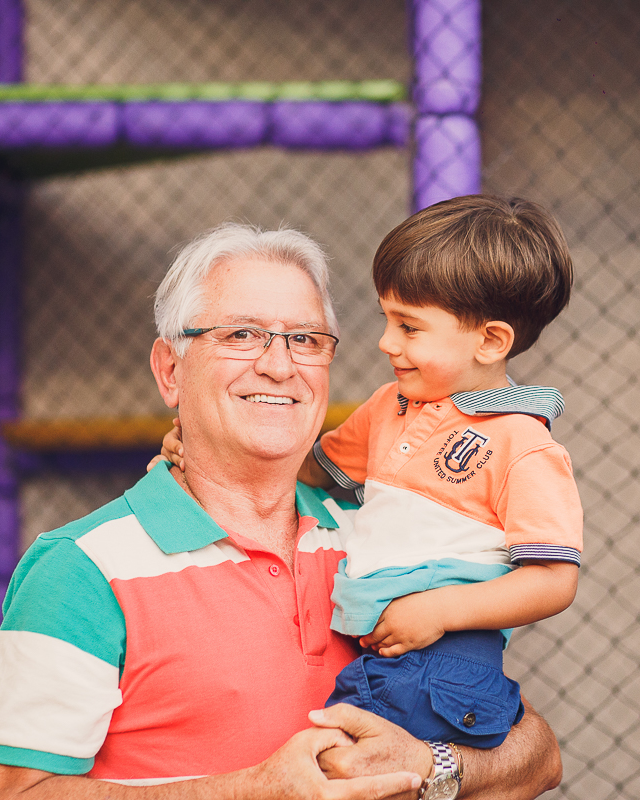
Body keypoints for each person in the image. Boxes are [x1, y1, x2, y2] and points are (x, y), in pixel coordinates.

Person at [0, 222, 563, 799]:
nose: (280, 366)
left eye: (305, 339)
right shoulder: (80, 570)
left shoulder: (378, 533)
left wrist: (431, 766)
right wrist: (251, 792)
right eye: (241, 335)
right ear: (171, 370)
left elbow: (535, 753)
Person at [157, 196, 583, 756]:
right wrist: (196, 446)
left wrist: (438, 611)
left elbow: (554, 579)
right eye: (387, 319)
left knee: (343, 765)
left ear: (491, 341)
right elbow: (309, 467)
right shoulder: (391, 406)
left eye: (409, 327)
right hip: (377, 652)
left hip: (441, 658)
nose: (386, 343)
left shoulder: (523, 443)